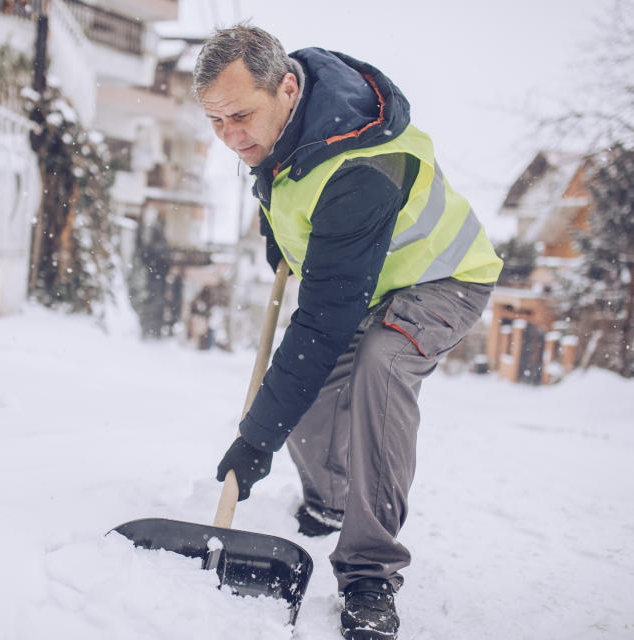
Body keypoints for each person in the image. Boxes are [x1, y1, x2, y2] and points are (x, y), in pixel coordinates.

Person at [194, 25, 503, 640]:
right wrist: (274, 236)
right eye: (216, 121)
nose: (231, 137)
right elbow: (285, 192)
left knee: (378, 368)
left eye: (241, 117)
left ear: (285, 88)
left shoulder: (363, 163)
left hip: (444, 279)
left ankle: (370, 573)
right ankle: (330, 499)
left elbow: (325, 320)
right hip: (369, 281)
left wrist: (254, 441)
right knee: (306, 411)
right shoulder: (286, 116)